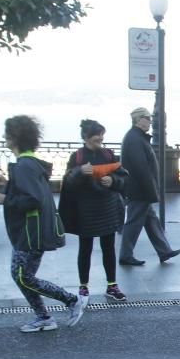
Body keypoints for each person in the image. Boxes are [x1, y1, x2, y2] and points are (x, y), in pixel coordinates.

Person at [0, 115, 87, 332]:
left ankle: (71, 301)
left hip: (30, 233)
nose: (3, 137)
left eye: (7, 134)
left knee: (23, 277)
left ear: (15, 137)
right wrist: (7, 184)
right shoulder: (29, 164)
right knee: (21, 276)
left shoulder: (24, 166)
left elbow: (32, 199)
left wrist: (5, 199)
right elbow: (30, 192)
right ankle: (44, 317)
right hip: (30, 232)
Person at [62, 118, 128, 302]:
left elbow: (122, 176)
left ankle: (112, 285)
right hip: (86, 210)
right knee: (86, 249)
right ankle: (83, 287)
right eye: (96, 135)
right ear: (86, 137)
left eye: (101, 134)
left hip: (107, 207)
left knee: (109, 248)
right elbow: (67, 182)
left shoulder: (108, 154)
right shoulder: (77, 157)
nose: (100, 138)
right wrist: (80, 171)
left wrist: (113, 181)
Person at [119, 107, 180, 266]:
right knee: (133, 222)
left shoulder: (136, 137)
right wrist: (151, 191)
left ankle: (164, 251)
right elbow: (140, 168)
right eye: (147, 118)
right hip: (139, 189)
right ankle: (126, 255)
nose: (150, 121)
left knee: (151, 221)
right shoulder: (134, 139)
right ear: (138, 120)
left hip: (140, 188)